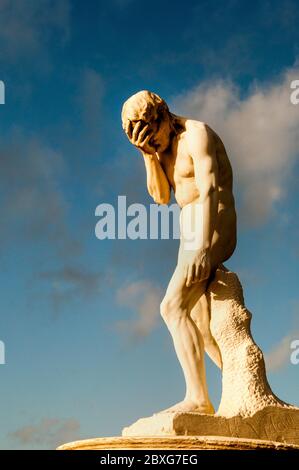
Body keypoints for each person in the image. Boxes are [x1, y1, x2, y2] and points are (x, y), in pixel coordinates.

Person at [122, 90, 237, 413]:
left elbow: (211, 187)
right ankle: (238, 386)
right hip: (189, 228)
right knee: (202, 327)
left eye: (151, 132)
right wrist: (146, 154)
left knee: (171, 307)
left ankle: (198, 400)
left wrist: (202, 246)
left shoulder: (196, 134)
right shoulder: (157, 148)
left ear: (163, 117)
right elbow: (160, 197)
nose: (152, 141)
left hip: (214, 222)